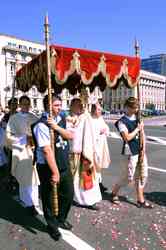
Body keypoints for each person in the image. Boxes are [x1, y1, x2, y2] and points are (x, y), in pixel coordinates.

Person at [32, 95, 74, 241]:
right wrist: (55, 172)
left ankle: (61, 218)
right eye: (56, 105)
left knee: (68, 194)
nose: (59, 107)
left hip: (63, 162)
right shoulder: (41, 125)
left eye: (59, 104)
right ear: (48, 106)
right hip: (48, 167)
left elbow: (70, 135)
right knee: (49, 197)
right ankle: (52, 225)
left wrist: (56, 127)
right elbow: (46, 151)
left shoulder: (61, 120)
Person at [111, 97, 153, 208]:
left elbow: (143, 134)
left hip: (140, 151)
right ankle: (114, 192)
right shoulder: (121, 122)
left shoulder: (138, 118)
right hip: (130, 152)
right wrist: (137, 129)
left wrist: (143, 149)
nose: (136, 109)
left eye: (137, 107)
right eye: (134, 108)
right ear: (127, 108)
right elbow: (127, 137)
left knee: (143, 175)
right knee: (127, 177)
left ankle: (141, 199)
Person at [6, 95, 41, 215]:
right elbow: (8, 137)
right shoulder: (13, 119)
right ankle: (27, 203)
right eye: (24, 104)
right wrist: (23, 138)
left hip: (33, 151)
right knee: (25, 178)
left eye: (28, 104)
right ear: (20, 105)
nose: (26, 106)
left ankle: (34, 202)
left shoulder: (34, 117)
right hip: (21, 151)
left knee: (34, 178)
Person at [67, 98, 102, 210]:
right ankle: (79, 199)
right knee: (76, 178)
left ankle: (90, 200)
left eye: (81, 105)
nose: (80, 107)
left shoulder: (84, 117)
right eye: (77, 105)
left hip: (86, 151)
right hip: (74, 152)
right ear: (71, 106)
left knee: (88, 176)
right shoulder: (67, 118)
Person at [90, 102, 111, 193]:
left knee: (99, 166)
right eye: (98, 109)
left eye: (100, 109)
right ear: (94, 110)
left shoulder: (100, 118)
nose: (100, 111)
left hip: (102, 145)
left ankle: (99, 183)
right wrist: (99, 132)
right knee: (94, 165)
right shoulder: (90, 119)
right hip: (94, 146)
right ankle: (95, 184)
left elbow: (106, 127)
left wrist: (105, 130)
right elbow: (90, 133)